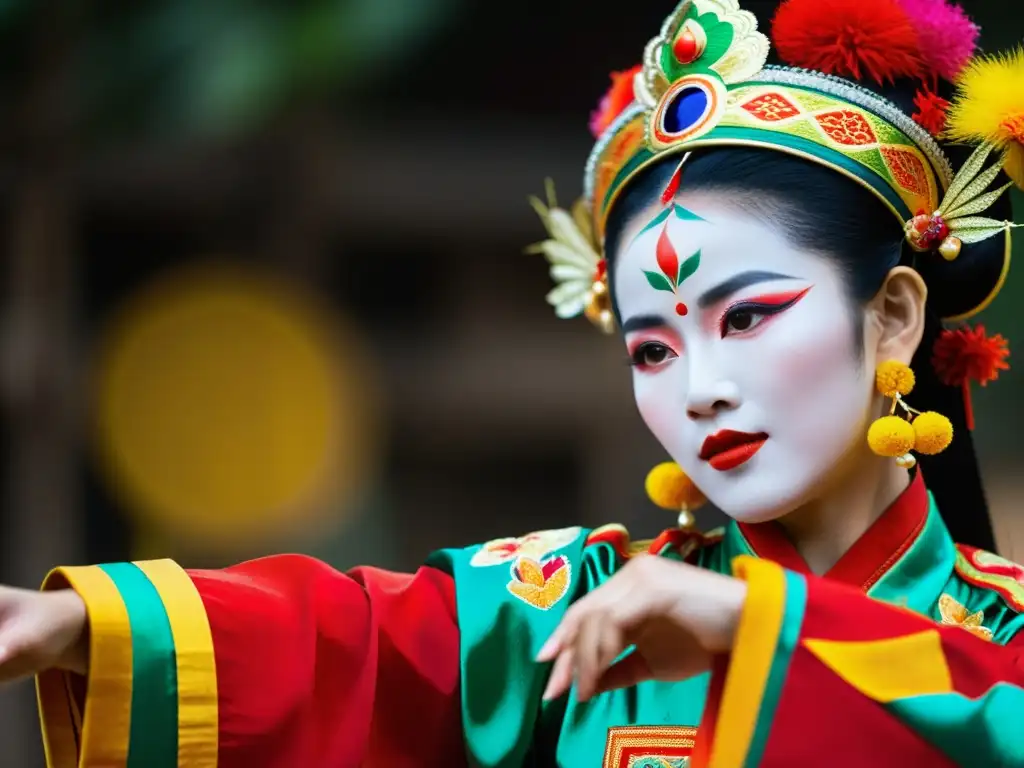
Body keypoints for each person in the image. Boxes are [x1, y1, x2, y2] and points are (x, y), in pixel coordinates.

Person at [2, 0, 1024, 765]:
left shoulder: (1003, 638)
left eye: (748, 316)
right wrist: (74, 625)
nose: (701, 391)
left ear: (890, 312)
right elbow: (365, 642)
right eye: (653, 349)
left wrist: (760, 629)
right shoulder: (583, 610)